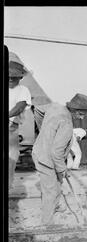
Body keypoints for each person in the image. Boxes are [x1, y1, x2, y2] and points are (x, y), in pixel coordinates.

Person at [32, 93, 87, 225]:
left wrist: (45, 131)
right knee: (50, 192)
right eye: (82, 113)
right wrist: (62, 169)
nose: (83, 117)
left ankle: (56, 207)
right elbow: (56, 152)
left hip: (40, 151)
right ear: (75, 110)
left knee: (57, 184)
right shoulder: (67, 124)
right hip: (45, 158)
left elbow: (38, 110)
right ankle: (47, 225)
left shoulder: (55, 107)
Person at [9, 61, 32, 189]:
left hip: (11, 129)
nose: (11, 78)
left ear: (20, 77)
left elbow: (19, 106)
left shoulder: (23, 90)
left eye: (15, 76)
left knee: (10, 159)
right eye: (8, 76)